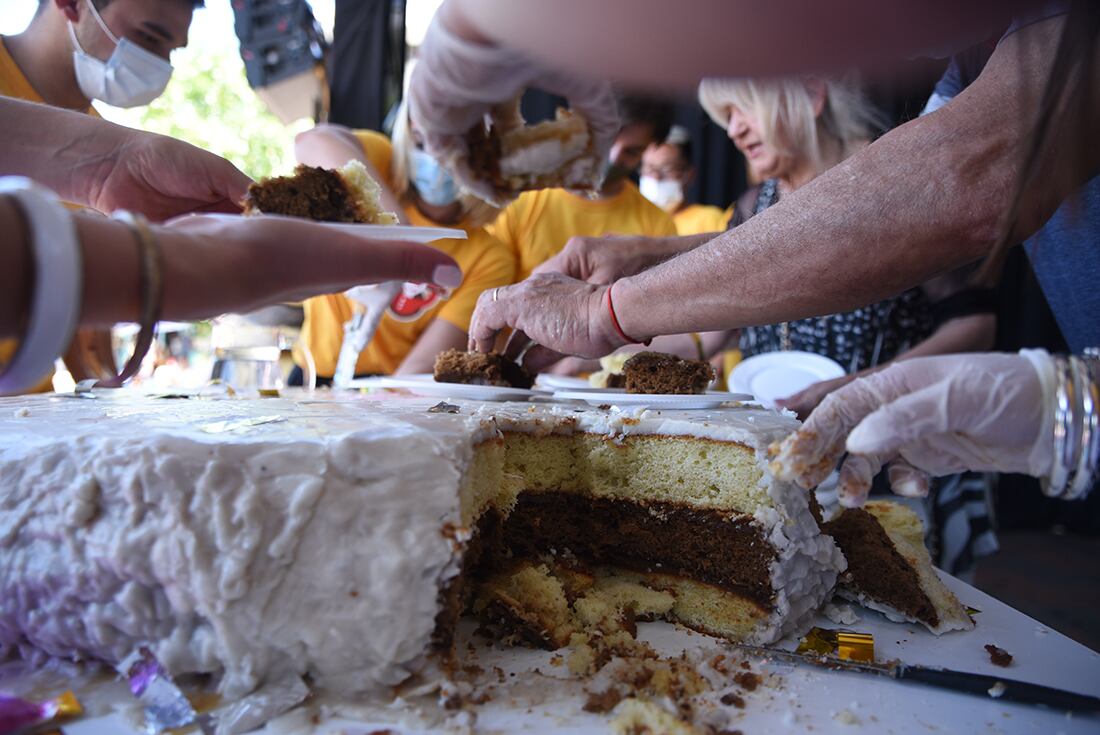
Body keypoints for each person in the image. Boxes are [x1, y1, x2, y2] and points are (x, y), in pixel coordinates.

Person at [410, 1, 1097, 500]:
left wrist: (610, 311)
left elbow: (959, 182)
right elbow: (871, 216)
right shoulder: (976, 55)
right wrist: (649, 261)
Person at [0, 98, 462, 394]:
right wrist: (162, 266)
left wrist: (115, 163)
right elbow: (317, 140)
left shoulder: (489, 249)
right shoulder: (383, 157)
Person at [1, 0, 202, 389]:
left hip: (26, 421)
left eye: (172, 50)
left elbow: (77, 321)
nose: (159, 65)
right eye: (149, 37)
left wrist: (109, 387)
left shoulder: (108, 151)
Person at [289, 101, 515, 382]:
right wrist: (396, 232)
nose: (434, 158)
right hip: (313, 373)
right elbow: (311, 141)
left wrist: (384, 401)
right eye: (421, 143)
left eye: (451, 149)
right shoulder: (381, 163)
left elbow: (425, 363)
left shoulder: (489, 258)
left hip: (391, 385)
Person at [486, 93, 677, 282]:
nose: (613, 157)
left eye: (632, 151)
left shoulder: (658, 227)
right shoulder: (516, 199)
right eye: (607, 140)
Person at [638, 126, 729, 236]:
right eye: (649, 169)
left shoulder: (708, 220)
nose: (656, 177)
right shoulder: (633, 218)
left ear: (689, 175)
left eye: (667, 169)